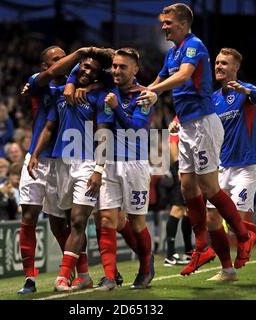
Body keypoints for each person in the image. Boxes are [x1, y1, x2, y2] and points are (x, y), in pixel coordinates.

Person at [138, 3, 255, 276]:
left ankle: (242, 234)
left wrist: (153, 91)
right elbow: (163, 75)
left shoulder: (194, 45)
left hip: (203, 123)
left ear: (182, 23)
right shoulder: (173, 52)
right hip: (187, 127)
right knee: (188, 187)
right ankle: (202, 246)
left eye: (168, 22)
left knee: (210, 188)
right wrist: (144, 90)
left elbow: (183, 76)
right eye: (163, 22)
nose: (163, 26)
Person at [29, 47, 114, 292]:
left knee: (78, 220)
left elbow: (104, 134)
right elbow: (49, 124)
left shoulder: (101, 97)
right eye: (84, 67)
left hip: (87, 163)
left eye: (93, 70)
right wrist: (35, 154)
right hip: (61, 163)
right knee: (69, 220)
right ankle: (84, 275)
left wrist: (99, 169)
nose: (86, 72)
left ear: (99, 75)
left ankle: (62, 277)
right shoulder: (61, 93)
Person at [205, 48, 256, 281]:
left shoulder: (247, 91)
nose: (219, 66)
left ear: (236, 67)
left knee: (236, 222)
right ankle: (229, 269)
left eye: (224, 63)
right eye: (217, 63)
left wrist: (246, 89)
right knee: (212, 220)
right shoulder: (213, 99)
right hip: (222, 167)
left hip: (246, 166)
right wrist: (178, 124)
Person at [92, 48, 157, 290]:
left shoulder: (144, 96)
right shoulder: (108, 94)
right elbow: (104, 133)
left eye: (123, 67)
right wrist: (99, 167)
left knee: (137, 222)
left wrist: (117, 106)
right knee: (107, 218)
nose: (117, 71)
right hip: (110, 163)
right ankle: (109, 276)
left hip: (135, 165)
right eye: (115, 66)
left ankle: (145, 267)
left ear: (135, 70)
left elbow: (136, 129)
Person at [17, 46, 70, 295]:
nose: (62, 62)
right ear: (45, 66)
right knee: (28, 217)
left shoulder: (75, 87)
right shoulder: (37, 85)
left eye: (64, 57)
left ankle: (73, 272)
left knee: (61, 224)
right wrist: (79, 54)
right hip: (35, 160)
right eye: (56, 60)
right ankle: (29, 278)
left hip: (61, 162)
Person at [165, 116, 193, 266]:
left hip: (191, 167)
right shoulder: (178, 118)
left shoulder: (192, 116)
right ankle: (170, 254)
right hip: (182, 169)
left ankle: (189, 252)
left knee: (188, 210)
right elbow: (173, 142)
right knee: (178, 209)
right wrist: (177, 167)